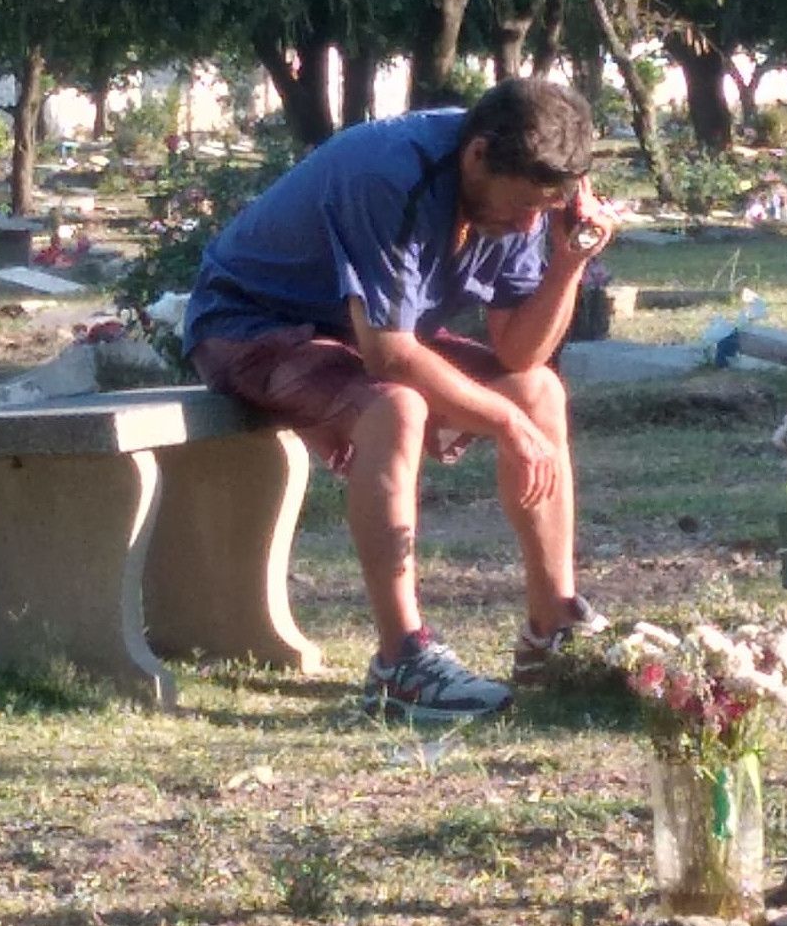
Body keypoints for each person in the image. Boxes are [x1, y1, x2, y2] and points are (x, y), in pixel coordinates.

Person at [180, 78, 614, 722]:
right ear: (477, 155)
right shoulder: (391, 174)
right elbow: (388, 356)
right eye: (524, 205)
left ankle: (552, 631)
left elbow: (521, 354)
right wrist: (504, 423)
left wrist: (568, 262)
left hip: (355, 334)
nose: (529, 224)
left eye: (543, 209)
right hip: (250, 326)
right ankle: (400, 662)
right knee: (396, 407)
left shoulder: (527, 191)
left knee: (539, 392)